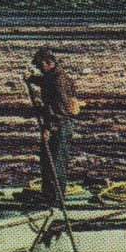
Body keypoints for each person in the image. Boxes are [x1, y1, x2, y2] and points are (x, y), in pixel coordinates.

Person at [25, 48, 79, 204]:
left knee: (56, 163)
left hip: (60, 126)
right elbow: (44, 82)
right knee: (47, 162)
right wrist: (32, 79)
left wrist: (49, 128)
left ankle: (56, 200)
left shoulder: (59, 81)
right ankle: (48, 196)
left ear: (47, 63)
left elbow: (60, 110)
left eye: (40, 66)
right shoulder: (51, 77)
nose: (39, 69)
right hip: (55, 124)